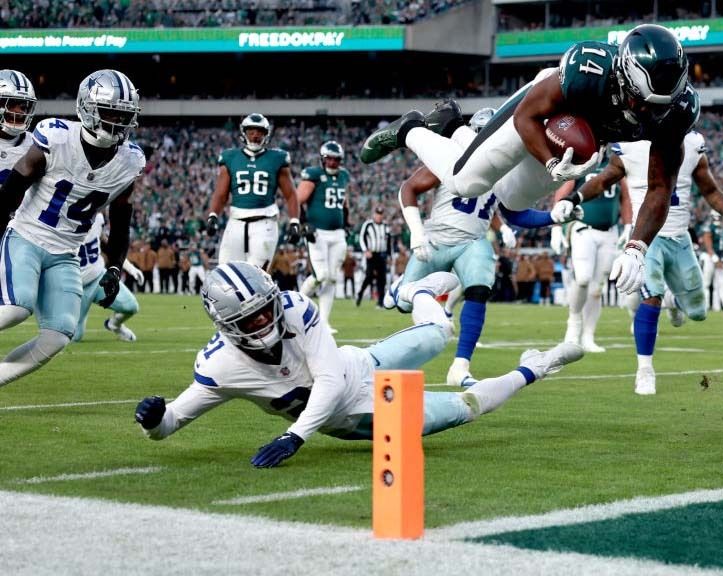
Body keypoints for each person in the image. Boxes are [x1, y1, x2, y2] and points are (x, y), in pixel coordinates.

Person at [133, 264, 584, 468]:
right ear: (227, 325)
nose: (265, 319)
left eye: (266, 307)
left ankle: (416, 292)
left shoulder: (294, 307)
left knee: (438, 334)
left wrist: (294, 436)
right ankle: (536, 367)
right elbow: (173, 421)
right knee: (465, 407)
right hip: (365, 418)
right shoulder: (222, 366)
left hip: (356, 365)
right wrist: (154, 420)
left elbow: (328, 379)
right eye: (250, 317)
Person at [361, 24, 701, 273]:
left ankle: (455, 128)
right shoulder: (589, 69)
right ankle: (410, 128)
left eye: (659, 105)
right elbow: (526, 116)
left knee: (510, 198)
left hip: (576, 142)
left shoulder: (677, 111)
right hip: (540, 116)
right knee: (465, 182)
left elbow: (659, 187)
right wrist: (552, 164)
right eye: (641, 102)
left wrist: (636, 249)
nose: (648, 112)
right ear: (624, 76)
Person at [391, 108, 565, 387]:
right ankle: (399, 288)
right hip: (437, 240)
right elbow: (408, 188)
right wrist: (417, 233)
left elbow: (515, 212)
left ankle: (460, 367)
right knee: (402, 303)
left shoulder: (505, 171)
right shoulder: (453, 156)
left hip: (472, 241)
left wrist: (552, 217)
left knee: (479, 289)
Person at [570, 134, 723, 394]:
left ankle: (673, 300)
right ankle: (645, 370)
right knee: (650, 297)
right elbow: (601, 181)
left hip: (680, 239)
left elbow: (709, 189)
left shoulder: (690, 142)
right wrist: (573, 199)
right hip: (647, 238)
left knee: (698, 312)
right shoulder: (630, 146)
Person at [0, 69, 145, 388]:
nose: (116, 122)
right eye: (109, 112)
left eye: (123, 115)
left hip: (66, 254)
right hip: (26, 236)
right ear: (88, 108)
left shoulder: (130, 161)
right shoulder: (56, 136)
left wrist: (115, 268)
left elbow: (121, 224)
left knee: (58, 335)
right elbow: (13, 188)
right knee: (14, 308)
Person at [554, 154, 632, 353]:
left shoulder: (617, 163)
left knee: (597, 289)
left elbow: (625, 197)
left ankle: (589, 335)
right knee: (582, 279)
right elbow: (563, 192)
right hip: (583, 228)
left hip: (609, 232)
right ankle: (573, 324)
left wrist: (628, 225)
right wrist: (556, 225)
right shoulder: (582, 163)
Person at [205, 113, 301, 270]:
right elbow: (221, 193)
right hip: (236, 222)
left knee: (256, 276)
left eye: (259, 131)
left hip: (265, 222)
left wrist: (294, 222)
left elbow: (291, 194)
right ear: (244, 133)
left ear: (266, 134)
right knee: (226, 273)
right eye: (251, 131)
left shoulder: (277, 157)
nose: (255, 135)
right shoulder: (230, 157)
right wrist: (213, 215)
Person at [297, 140, 350, 334]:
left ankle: (324, 322)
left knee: (332, 278)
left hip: (337, 233)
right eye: (329, 159)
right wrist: (303, 223)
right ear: (322, 159)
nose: (333, 163)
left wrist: (347, 222)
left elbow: (344, 202)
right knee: (321, 275)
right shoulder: (314, 175)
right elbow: (298, 199)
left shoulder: (344, 176)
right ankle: (296, 306)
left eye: (336, 159)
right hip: (318, 232)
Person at [73, 212, 142, 342]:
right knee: (75, 337)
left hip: (98, 278)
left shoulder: (97, 217)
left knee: (131, 306)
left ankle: (114, 325)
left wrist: (129, 267)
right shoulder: (62, 220)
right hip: (75, 286)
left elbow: (107, 244)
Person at [357, 206, 390, 308]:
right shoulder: (368, 224)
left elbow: (389, 241)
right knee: (369, 276)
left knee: (382, 279)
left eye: (381, 215)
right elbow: (361, 238)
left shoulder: (385, 226)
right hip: (372, 255)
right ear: (374, 215)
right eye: (377, 214)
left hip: (382, 255)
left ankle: (380, 302)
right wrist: (365, 250)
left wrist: (389, 255)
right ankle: (360, 293)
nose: (379, 216)